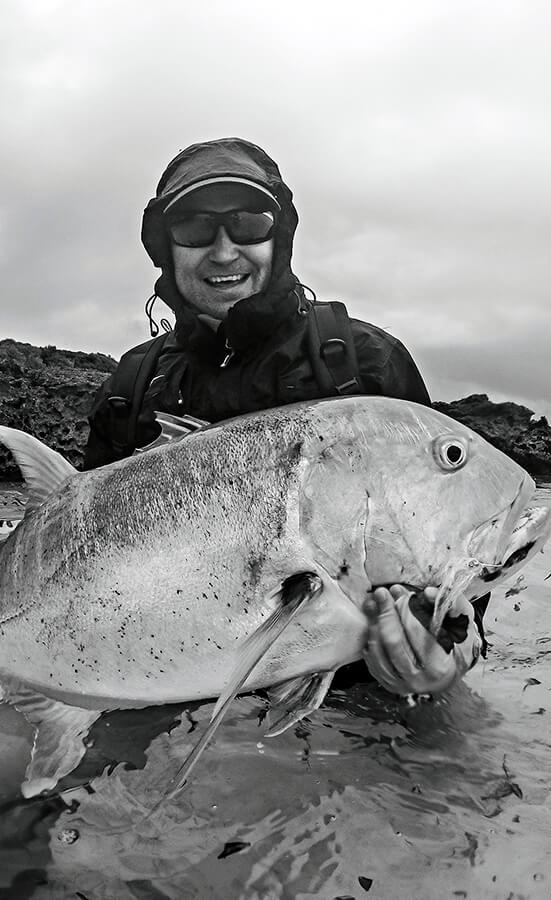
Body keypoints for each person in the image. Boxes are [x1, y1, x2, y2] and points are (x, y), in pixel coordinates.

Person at [83, 137, 484, 700]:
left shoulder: (365, 365)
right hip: (165, 688)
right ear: (165, 246)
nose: (224, 251)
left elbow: (458, 569)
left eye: (248, 222)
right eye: (196, 228)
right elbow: (73, 556)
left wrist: (451, 648)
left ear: (279, 237)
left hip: (363, 699)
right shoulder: (132, 388)